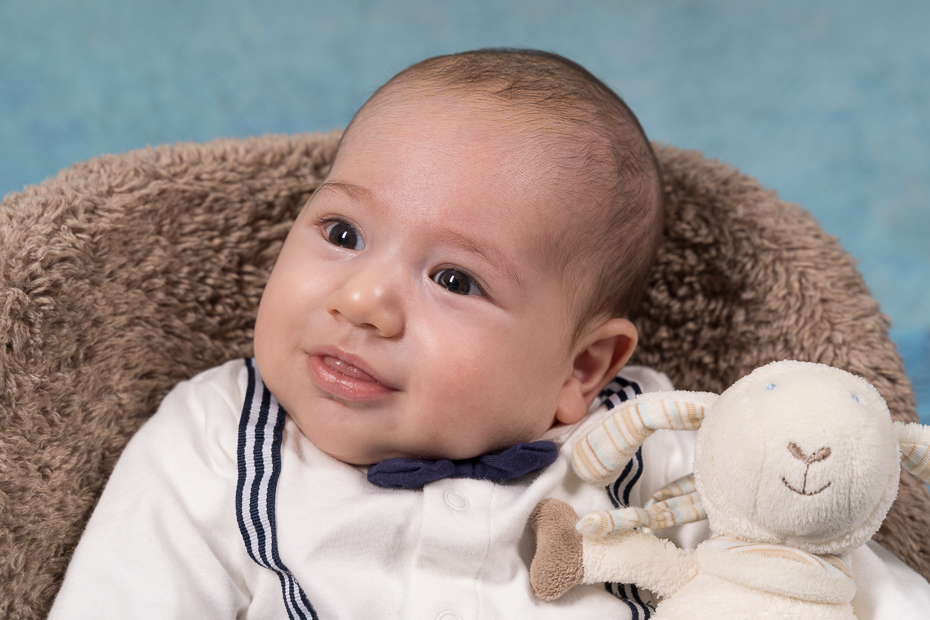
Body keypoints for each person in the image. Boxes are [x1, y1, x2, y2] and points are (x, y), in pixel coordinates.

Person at [48, 49, 930, 619]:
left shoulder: (648, 444)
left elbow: (814, 572)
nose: (362, 302)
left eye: (455, 280)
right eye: (343, 233)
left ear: (580, 369)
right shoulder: (219, 435)